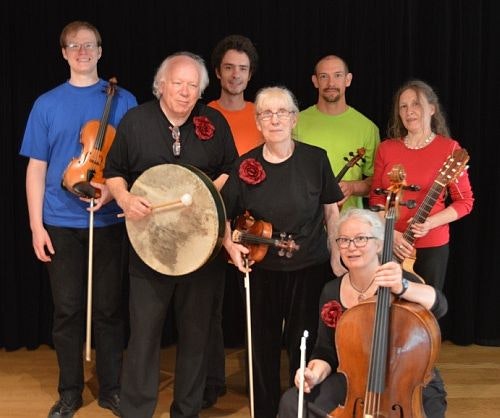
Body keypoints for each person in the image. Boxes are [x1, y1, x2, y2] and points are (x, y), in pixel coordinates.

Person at [104, 51, 238, 418]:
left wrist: (205, 193)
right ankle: (136, 411)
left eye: (193, 85)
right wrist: (125, 199)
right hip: (150, 248)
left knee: (196, 335)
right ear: (161, 85)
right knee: (144, 335)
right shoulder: (136, 121)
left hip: (201, 248)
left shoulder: (213, 121)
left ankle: (187, 410)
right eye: (178, 83)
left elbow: (231, 167)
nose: (185, 91)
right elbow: (114, 171)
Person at [19, 21, 137, 418]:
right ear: (64, 53)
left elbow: (134, 162)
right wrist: (36, 226)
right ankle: (69, 392)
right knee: (67, 310)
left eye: (89, 45)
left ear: (100, 51)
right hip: (59, 221)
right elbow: (36, 169)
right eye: (74, 45)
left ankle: (112, 389)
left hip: (109, 222)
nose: (82, 51)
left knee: (108, 310)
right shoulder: (46, 104)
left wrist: (112, 193)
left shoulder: (123, 101)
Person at [221, 86, 344, 418]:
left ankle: (298, 409)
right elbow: (223, 215)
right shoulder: (245, 164)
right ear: (258, 122)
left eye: (282, 112)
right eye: (266, 113)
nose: (274, 119)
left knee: (304, 342)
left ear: (294, 119)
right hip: (260, 269)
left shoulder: (315, 158)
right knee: (261, 346)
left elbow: (331, 210)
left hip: (309, 266)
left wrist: (336, 253)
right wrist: (230, 245)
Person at [279, 208, 448, 418]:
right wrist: (314, 373)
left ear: (379, 244)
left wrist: (403, 287)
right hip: (354, 379)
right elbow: (326, 351)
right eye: (344, 240)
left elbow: (440, 306)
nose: (351, 247)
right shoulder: (331, 291)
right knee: (293, 402)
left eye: (361, 239)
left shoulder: (397, 280)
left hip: (407, 381)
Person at [202, 34, 263, 409]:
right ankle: (212, 381)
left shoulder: (262, 113)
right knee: (208, 307)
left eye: (242, 68)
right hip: (211, 221)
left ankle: (258, 382)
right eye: (229, 68)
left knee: (255, 307)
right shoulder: (203, 114)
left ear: (250, 74)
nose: (236, 75)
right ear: (217, 72)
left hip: (253, 224)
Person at [369, 79, 474, 291]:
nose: (409, 111)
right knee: (383, 304)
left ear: (432, 109)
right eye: (403, 106)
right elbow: (376, 199)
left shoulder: (449, 148)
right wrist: (392, 235)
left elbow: (465, 201)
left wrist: (430, 223)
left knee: (425, 307)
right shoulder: (386, 148)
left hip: (431, 246)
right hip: (390, 244)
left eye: (416, 104)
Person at [294, 54, 380, 212]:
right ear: (315, 81)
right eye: (324, 76)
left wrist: (352, 187)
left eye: (338, 75)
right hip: (304, 219)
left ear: (348, 79)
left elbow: (376, 182)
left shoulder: (368, 128)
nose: (331, 83)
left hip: (348, 222)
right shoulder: (294, 123)